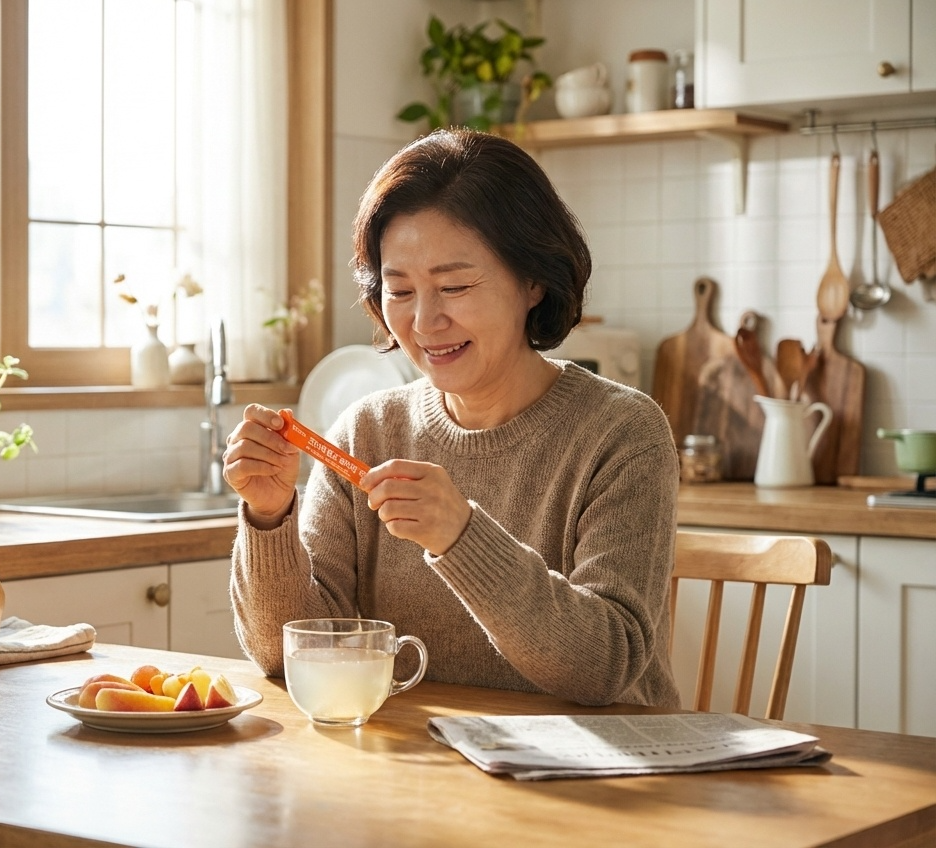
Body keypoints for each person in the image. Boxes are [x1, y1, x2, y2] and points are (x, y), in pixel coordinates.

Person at [222, 128, 680, 708]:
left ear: (533, 280)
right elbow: (285, 657)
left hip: (606, 776)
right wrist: (269, 517)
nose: (424, 321)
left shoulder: (623, 432)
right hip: (427, 772)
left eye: (455, 286)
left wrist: (462, 537)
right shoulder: (367, 430)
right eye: (400, 290)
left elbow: (603, 668)